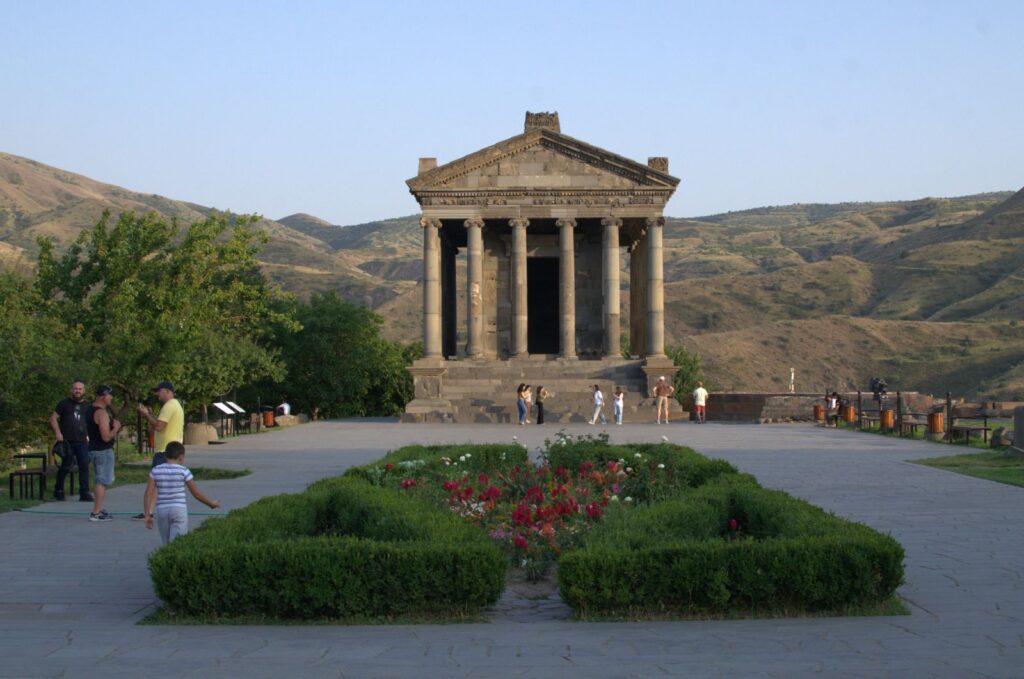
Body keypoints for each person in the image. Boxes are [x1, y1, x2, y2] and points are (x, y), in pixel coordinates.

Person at [143, 442, 220, 544]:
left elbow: (148, 493)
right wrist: (211, 504)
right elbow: (196, 494)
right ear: (181, 457)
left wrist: (147, 515)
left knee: (166, 544)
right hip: (178, 510)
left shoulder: (156, 470)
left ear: (165, 455)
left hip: (162, 510)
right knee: (178, 543)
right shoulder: (184, 471)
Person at [135, 381, 184, 520]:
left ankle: (148, 513)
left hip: (164, 451)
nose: (157, 394)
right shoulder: (175, 405)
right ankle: (159, 511)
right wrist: (151, 418)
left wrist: (146, 415)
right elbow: (154, 428)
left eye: (159, 391)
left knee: (153, 484)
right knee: (166, 484)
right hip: (172, 450)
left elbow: (158, 426)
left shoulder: (169, 406)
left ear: (167, 391)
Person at [49, 379, 93, 502]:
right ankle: (59, 490)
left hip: (82, 441)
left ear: (84, 391)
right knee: (66, 466)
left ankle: (84, 492)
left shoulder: (88, 406)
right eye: (75, 388)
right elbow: (53, 418)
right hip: (67, 441)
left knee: (84, 465)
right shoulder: (64, 403)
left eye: (80, 389)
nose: (77, 391)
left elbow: (93, 422)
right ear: (71, 390)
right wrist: (58, 433)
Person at [86, 385, 121, 522]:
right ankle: (96, 513)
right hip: (103, 451)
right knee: (101, 481)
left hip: (93, 449)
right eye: (110, 395)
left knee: (100, 479)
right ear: (103, 396)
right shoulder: (101, 413)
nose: (111, 398)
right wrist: (116, 428)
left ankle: (99, 508)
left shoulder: (89, 410)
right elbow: (106, 437)